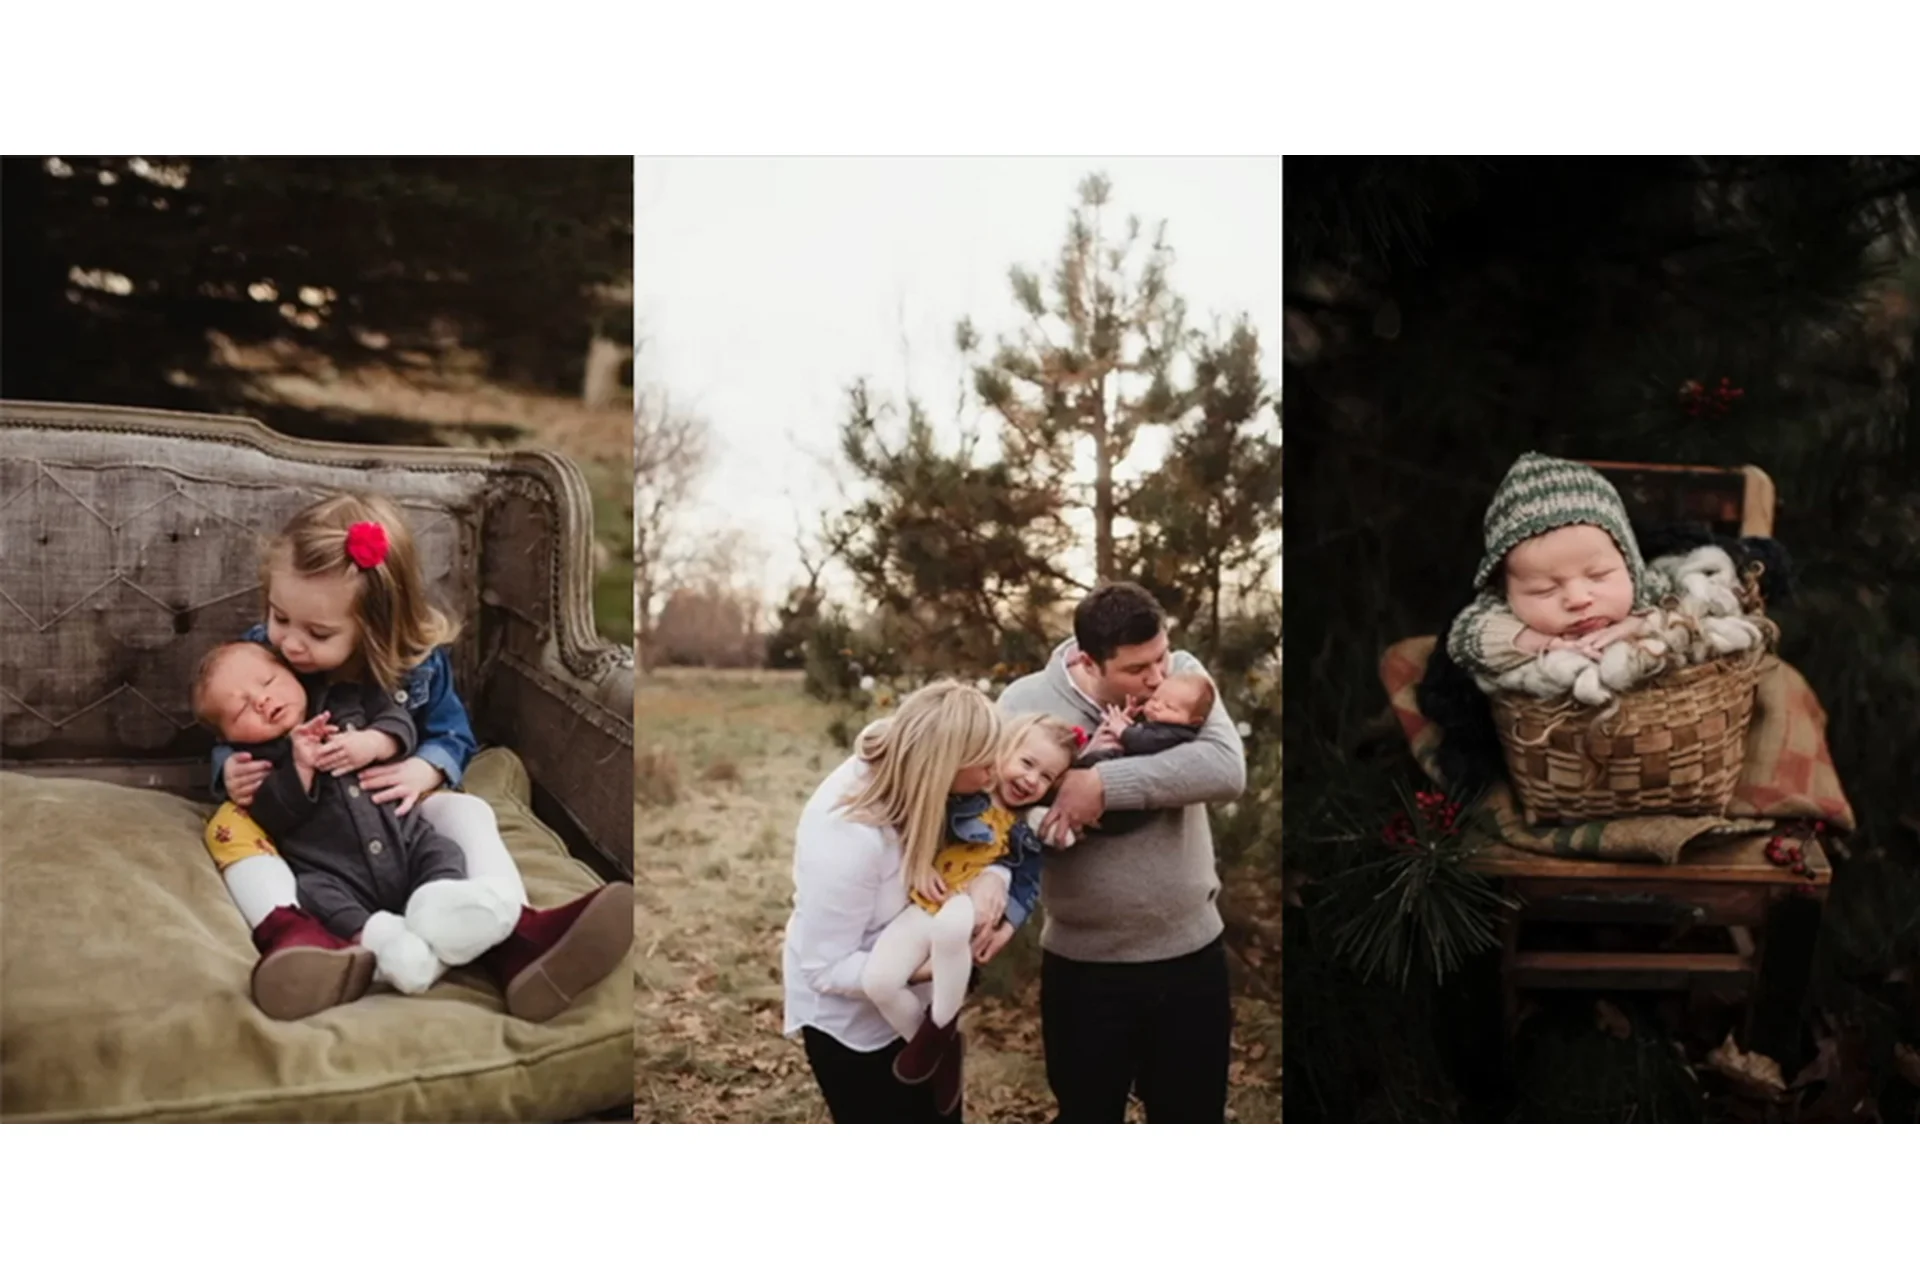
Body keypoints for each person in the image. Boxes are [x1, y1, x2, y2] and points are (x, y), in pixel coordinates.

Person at [202, 493, 630, 1021]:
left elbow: (453, 735)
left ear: (376, 626)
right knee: (231, 828)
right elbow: (230, 716)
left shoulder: (415, 666)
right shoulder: (263, 658)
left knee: (467, 811)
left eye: (318, 633)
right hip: (317, 834)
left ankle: (516, 929)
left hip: (399, 804)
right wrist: (227, 767)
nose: (289, 644)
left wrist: (421, 767)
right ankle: (295, 935)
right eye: (278, 615)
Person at [998, 582, 1246, 1122]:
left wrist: (1104, 785)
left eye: (1161, 656)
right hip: (1084, 966)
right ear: (1090, 661)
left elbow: (1226, 770)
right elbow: (1000, 805)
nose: (1158, 676)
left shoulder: (1184, 678)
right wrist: (1047, 819)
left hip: (1189, 955)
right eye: (1139, 670)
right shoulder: (1023, 704)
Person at [195, 641, 517, 1004]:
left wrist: (376, 742)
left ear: (291, 671)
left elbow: (397, 719)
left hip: (404, 841)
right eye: (240, 711)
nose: (262, 701)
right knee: (315, 895)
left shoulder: (344, 699)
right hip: (334, 871)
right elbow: (273, 816)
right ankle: (387, 944)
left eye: (269, 682)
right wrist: (297, 770)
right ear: (230, 737)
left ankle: (443, 906)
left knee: (440, 852)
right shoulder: (259, 760)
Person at [783, 680, 1021, 1123]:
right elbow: (824, 967)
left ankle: (940, 1047)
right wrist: (941, 964)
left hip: (929, 1015)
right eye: (985, 765)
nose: (996, 774)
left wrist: (993, 878)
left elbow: (1000, 836)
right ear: (943, 766)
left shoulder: (936, 776)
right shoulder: (847, 836)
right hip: (856, 1030)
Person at [859, 712, 1078, 1113]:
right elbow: (918, 824)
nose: (1031, 780)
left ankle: (942, 1021)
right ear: (1003, 750)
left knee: (953, 926)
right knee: (879, 982)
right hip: (921, 905)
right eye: (1027, 763)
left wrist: (1009, 922)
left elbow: (1027, 882)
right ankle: (941, 1052)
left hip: (962, 901)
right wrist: (919, 864)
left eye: (1046, 777)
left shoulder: (1023, 827)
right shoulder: (963, 792)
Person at [1040, 671, 1218, 844]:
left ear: (1194, 721)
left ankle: (1064, 801)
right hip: (1117, 799)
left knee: (1096, 764)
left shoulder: (1178, 734)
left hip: (1126, 810)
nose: (1156, 706)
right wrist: (1130, 718)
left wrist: (1123, 731)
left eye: (1169, 707)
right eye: (1155, 699)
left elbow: (1145, 742)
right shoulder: (1165, 724)